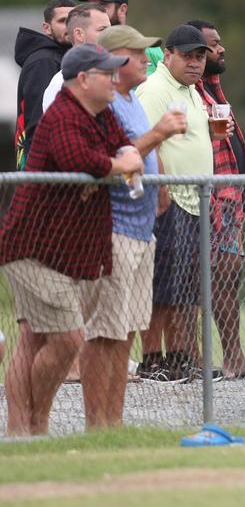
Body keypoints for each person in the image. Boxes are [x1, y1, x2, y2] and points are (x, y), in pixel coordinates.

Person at [1, 44, 142, 436]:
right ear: (83, 79)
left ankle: (22, 432)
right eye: (106, 73)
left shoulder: (101, 113)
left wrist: (127, 153)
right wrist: (122, 164)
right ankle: (34, 421)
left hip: (62, 250)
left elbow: (124, 143)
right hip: (32, 249)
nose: (115, 79)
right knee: (67, 339)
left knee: (34, 339)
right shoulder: (63, 114)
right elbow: (80, 161)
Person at [84, 26, 186, 423]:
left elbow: (140, 151)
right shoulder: (106, 102)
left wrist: (157, 179)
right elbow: (111, 158)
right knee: (105, 333)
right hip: (113, 231)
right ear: (113, 59)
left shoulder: (129, 99)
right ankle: (98, 424)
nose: (148, 59)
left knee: (125, 333)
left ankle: (115, 422)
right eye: (139, 52)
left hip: (141, 231)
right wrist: (158, 134)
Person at [136, 24, 225, 382]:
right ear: (168, 54)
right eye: (187, 55)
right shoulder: (155, 89)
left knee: (183, 288)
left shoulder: (192, 91)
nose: (195, 62)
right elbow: (147, 140)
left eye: (200, 55)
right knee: (160, 287)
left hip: (192, 201)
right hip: (167, 199)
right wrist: (159, 188)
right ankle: (150, 359)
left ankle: (177, 358)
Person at [187, 18, 245, 380]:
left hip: (230, 198)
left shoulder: (213, 88)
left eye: (218, 44)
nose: (220, 50)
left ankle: (234, 356)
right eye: (212, 45)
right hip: (208, 198)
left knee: (229, 274)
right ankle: (194, 357)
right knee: (200, 277)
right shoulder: (189, 92)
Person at [14, 0, 75, 169]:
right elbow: (38, 121)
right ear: (47, 28)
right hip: (41, 170)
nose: (69, 26)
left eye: (73, 20)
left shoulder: (63, 58)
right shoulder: (43, 62)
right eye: (63, 21)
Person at [77, 0, 163, 74]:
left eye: (102, 6)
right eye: (90, 6)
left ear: (122, 10)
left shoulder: (151, 50)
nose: (94, 11)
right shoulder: (84, 53)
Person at [41, 3, 112, 112]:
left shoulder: (112, 76)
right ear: (79, 34)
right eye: (102, 29)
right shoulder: (61, 85)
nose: (111, 35)